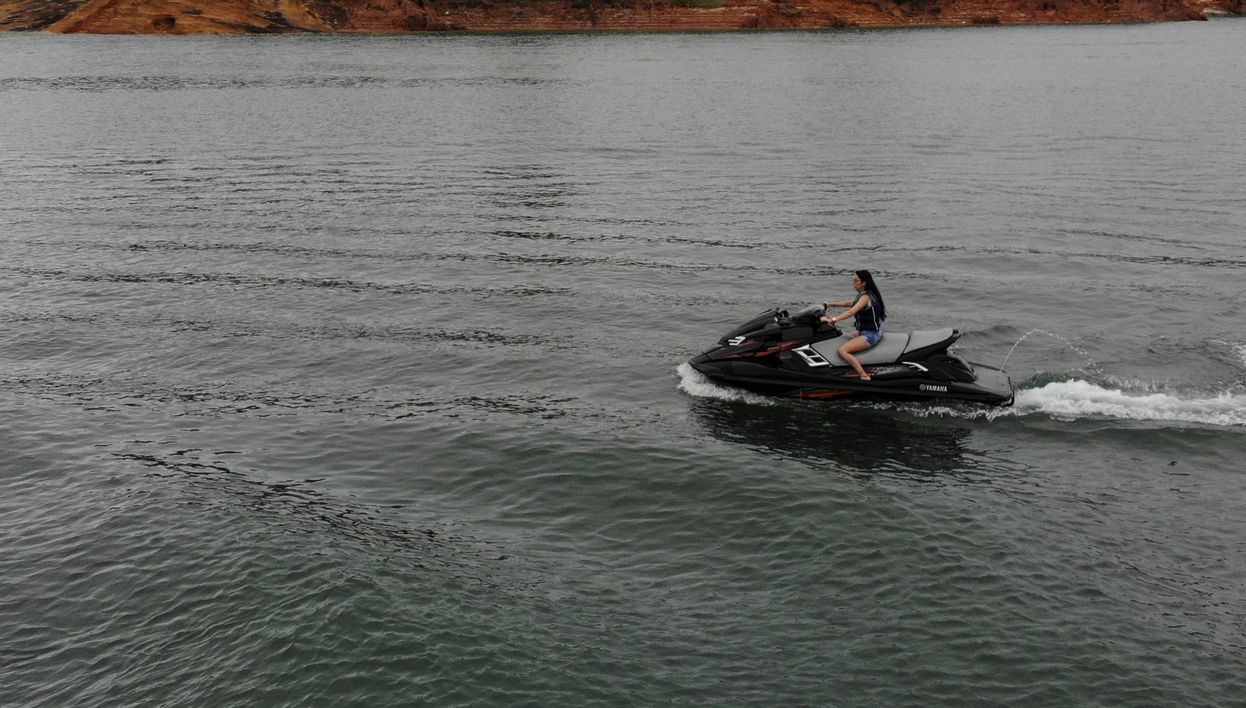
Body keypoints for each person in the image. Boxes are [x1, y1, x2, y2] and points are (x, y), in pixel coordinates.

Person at [820, 270, 887, 381]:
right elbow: (849, 303)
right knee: (842, 337)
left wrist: (833, 320)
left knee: (842, 350)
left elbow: (852, 311)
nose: (854, 283)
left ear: (864, 282)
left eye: (856, 281)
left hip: (871, 334)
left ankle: (863, 375)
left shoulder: (866, 298)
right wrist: (830, 304)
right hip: (870, 330)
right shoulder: (866, 295)